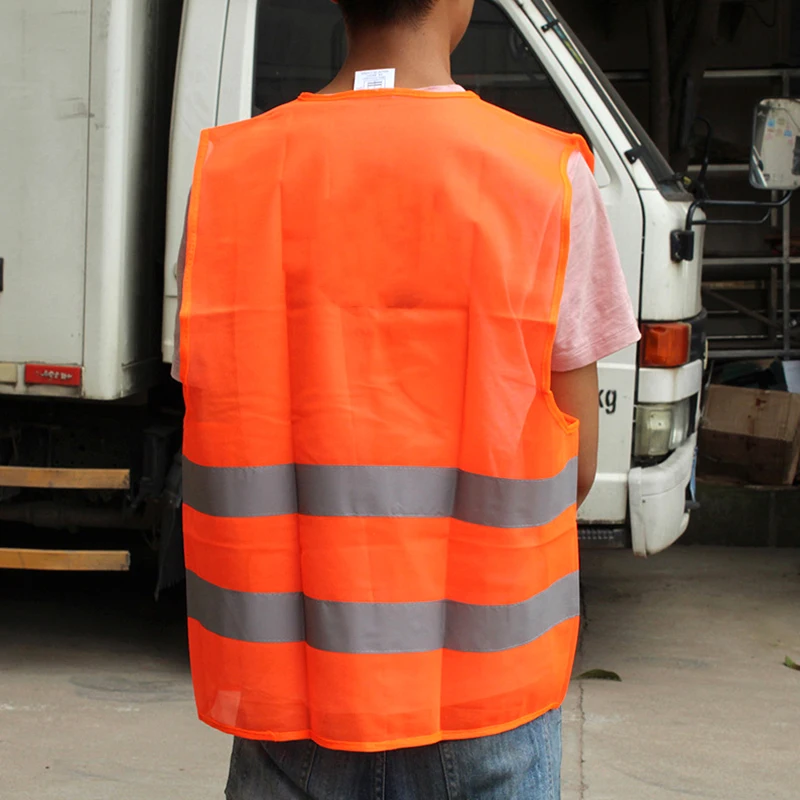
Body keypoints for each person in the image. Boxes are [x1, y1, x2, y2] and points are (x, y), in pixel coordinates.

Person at [172, 0, 640, 797]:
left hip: (291, 698)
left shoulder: (230, 178)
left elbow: (225, 416)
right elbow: (578, 468)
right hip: (487, 702)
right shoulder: (546, 177)